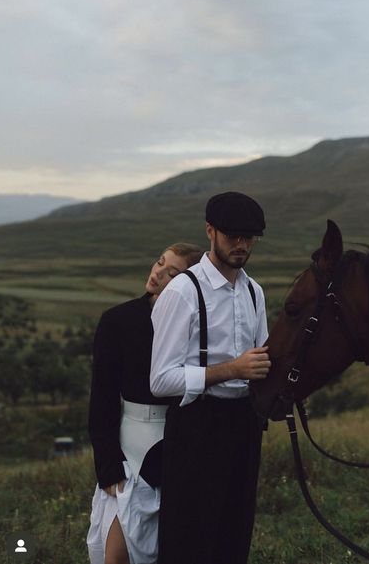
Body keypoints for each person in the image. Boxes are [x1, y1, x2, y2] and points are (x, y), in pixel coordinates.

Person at [150, 191, 270, 564]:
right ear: (210, 232)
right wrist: (230, 370)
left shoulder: (254, 292)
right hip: (196, 428)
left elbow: (263, 359)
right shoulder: (184, 291)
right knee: (190, 538)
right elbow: (160, 380)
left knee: (235, 533)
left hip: (243, 427)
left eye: (249, 237)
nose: (241, 245)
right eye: (233, 235)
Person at [86, 243, 202, 564]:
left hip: (178, 446)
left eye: (172, 272)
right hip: (129, 446)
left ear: (186, 283)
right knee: (116, 555)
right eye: (159, 262)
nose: (158, 273)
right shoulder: (117, 321)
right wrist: (108, 466)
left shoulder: (194, 327)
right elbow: (103, 398)